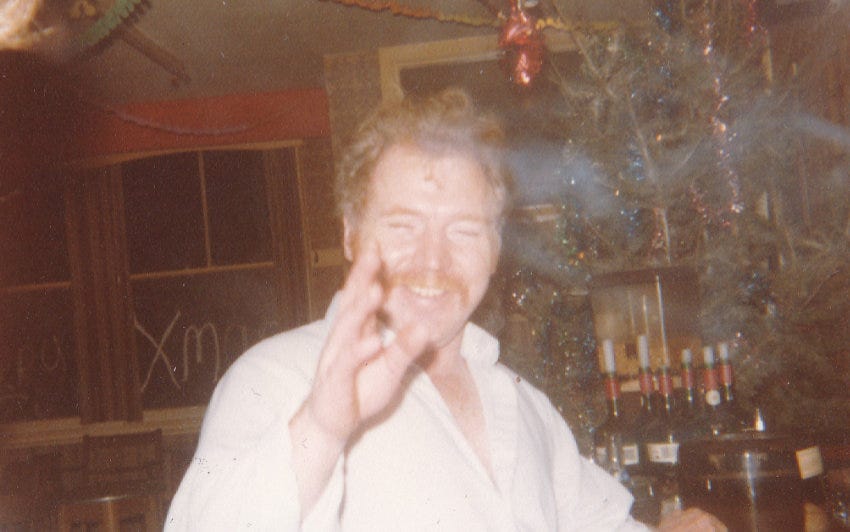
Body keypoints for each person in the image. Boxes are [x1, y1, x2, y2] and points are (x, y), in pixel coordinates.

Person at [165, 88, 725, 531]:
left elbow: (595, 523)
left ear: (495, 249)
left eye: (463, 229)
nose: (433, 260)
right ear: (352, 236)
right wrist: (323, 427)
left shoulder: (523, 404)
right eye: (405, 226)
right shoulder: (274, 378)